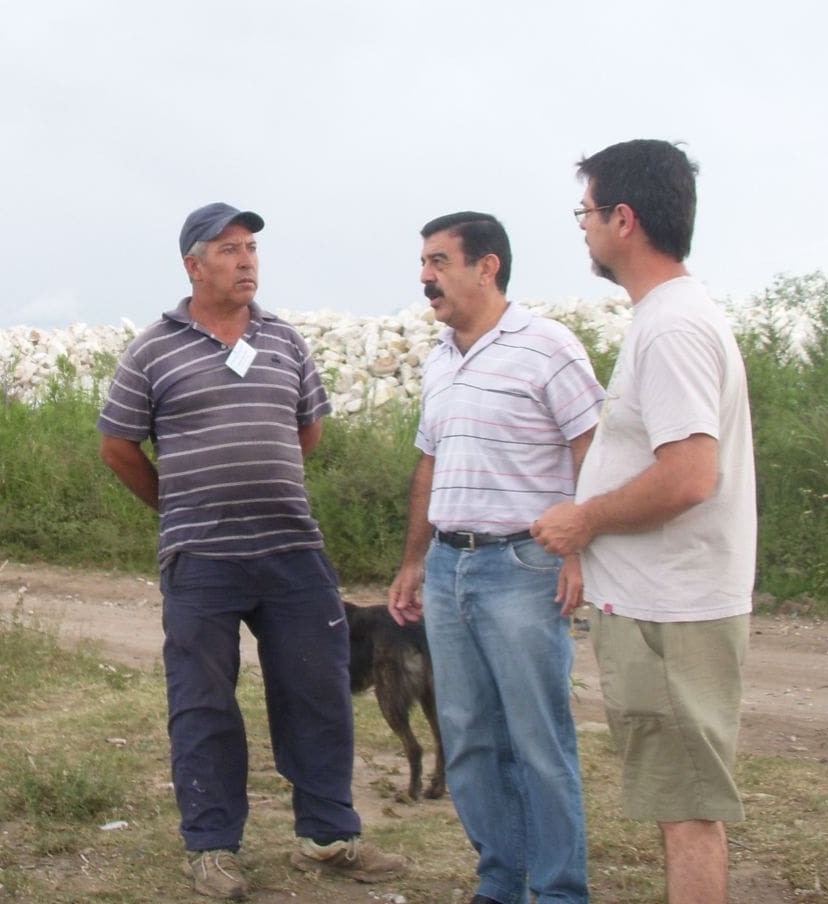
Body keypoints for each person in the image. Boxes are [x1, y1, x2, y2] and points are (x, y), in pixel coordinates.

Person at [96, 202, 405, 901]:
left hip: (292, 551)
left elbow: (309, 430)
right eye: (230, 249)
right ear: (193, 265)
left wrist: (262, 484)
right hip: (200, 558)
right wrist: (179, 506)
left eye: (253, 248)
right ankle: (212, 849)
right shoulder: (153, 349)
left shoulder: (284, 341)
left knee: (318, 690)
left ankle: (328, 837)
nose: (247, 261)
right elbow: (118, 447)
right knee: (203, 701)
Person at [530, 140, 757, 904]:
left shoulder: (673, 328)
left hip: (673, 613)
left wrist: (583, 520)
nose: (583, 228)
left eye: (586, 211)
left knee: (686, 811)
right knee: (676, 803)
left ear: (623, 219)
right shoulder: (668, 318)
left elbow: (691, 476)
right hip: (662, 609)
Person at [386, 211, 604, 904]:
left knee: (538, 739)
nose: (426, 277)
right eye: (423, 263)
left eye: (439, 261)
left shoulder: (548, 346)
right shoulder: (439, 359)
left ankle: (560, 890)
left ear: (488, 266)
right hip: (449, 571)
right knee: (469, 735)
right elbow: (429, 463)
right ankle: (501, 880)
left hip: (523, 568)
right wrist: (415, 562)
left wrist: (580, 551)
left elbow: (592, 447)